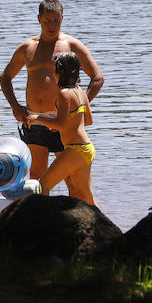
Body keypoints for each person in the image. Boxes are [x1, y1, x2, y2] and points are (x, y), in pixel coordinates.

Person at [0, 0, 104, 188]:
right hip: (35, 121)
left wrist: (77, 107)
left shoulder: (72, 46)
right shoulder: (27, 47)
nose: (51, 25)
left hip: (64, 124)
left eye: (56, 20)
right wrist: (15, 106)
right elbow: (5, 77)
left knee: (72, 181)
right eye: (47, 20)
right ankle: (42, 217)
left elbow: (97, 78)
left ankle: (74, 217)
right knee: (36, 178)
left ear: (62, 18)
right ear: (39, 19)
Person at [27, 51, 97, 206]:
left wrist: (38, 117)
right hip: (86, 148)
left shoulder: (64, 93)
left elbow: (60, 124)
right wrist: (60, 125)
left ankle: (45, 225)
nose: (52, 71)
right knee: (86, 197)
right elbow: (88, 121)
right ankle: (109, 229)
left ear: (60, 71)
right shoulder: (80, 91)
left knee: (42, 185)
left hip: (76, 149)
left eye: (54, 68)